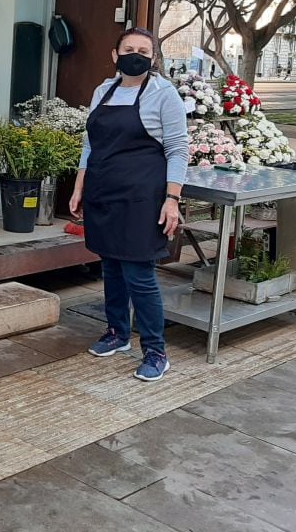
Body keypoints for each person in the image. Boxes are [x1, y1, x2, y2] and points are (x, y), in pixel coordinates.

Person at [70, 27, 189, 382]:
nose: (135, 54)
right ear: (114, 54)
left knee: (139, 273)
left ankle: (155, 350)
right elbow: (90, 144)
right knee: (110, 267)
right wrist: (79, 185)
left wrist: (172, 199)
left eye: (143, 50)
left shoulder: (163, 94)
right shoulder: (102, 90)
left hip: (142, 195)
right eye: (128, 48)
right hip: (103, 191)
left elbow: (178, 149)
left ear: (153, 58)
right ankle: (118, 333)